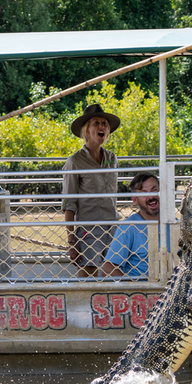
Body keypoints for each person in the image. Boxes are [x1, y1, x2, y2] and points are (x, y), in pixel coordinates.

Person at [62, 103, 120, 278]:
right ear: (87, 130)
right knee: (88, 275)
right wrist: (72, 241)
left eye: (104, 123)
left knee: (117, 274)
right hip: (89, 229)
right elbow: (69, 203)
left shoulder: (111, 158)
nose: (101, 127)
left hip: (113, 226)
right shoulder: (75, 162)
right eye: (96, 123)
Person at [102, 173, 162, 279]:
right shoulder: (128, 227)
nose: (151, 197)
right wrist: (134, 289)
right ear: (135, 200)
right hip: (142, 290)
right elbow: (107, 269)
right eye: (144, 193)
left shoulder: (174, 223)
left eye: (154, 190)